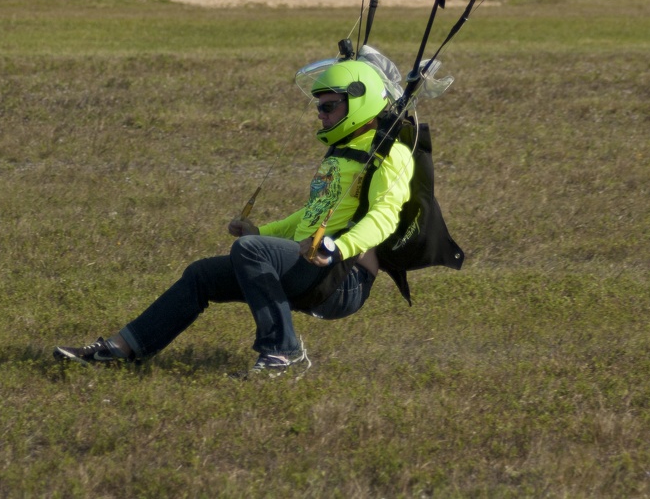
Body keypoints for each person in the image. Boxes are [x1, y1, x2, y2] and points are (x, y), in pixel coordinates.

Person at [54, 60, 414, 377]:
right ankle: (121, 349)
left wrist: (337, 247)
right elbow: (313, 214)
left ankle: (282, 354)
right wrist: (264, 232)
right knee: (202, 276)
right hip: (314, 263)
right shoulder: (343, 151)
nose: (320, 114)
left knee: (250, 250)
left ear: (359, 101)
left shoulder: (391, 153)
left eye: (329, 107)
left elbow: (386, 217)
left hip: (343, 277)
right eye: (319, 107)